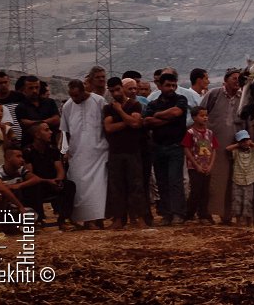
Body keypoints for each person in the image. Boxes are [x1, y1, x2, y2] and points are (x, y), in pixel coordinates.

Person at [61, 79, 109, 229]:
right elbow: (65, 131)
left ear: (83, 91)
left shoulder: (99, 101)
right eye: (72, 95)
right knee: (79, 187)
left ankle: (96, 220)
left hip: (99, 152)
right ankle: (85, 220)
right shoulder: (68, 106)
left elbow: (106, 124)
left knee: (98, 189)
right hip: (77, 153)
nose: (74, 99)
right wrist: (66, 150)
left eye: (77, 95)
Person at [144, 72, 189, 226]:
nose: (171, 88)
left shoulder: (181, 99)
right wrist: (168, 118)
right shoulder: (153, 103)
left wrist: (158, 116)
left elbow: (176, 112)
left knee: (175, 180)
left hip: (175, 146)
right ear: (160, 86)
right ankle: (167, 214)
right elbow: (148, 121)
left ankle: (178, 213)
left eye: (174, 85)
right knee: (162, 181)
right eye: (168, 85)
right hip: (158, 147)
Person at [201, 68, 244, 224]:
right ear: (225, 80)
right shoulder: (213, 94)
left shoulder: (243, 97)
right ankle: (212, 213)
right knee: (217, 180)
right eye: (234, 78)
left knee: (234, 180)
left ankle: (228, 215)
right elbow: (201, 114)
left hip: (238, 144)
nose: (237, 81)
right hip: (215, 144)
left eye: (239, 79)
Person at [103, 78, 146, 229]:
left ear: (122, 88)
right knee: (117, 186)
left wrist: (120, 111)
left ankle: (139, 217)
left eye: (117, 89)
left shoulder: (134, 104)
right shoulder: (108, 108)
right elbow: (108, 128)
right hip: (115, 151)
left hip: (132, 150)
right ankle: (119, 218)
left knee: (136, 185)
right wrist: (128, 122)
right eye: (112, 90)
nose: (115, 93)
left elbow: (136, 124)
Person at [23, 122, 76, 231]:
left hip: (53, 183)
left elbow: (60, 168)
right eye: (46, 130)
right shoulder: (28, 151)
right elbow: (29, 175)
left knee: (69, 185)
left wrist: (59, 180)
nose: (51, 132)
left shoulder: (52, 149)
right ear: (37, 135)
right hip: (38, 183)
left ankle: (64, 219)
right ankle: (37, 220)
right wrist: (47, 181)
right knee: (32, 187)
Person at [182, 106, 218, 224]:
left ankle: (203, 215)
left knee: (205, 191)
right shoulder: (190, 132)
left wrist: (211, 165)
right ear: (194, 117)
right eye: (201, 115)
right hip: (195, 167)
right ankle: (189, 215)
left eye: (206, 115)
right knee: (196, 191)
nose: (205, 118)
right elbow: (186, 149)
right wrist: (196, 165)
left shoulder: (210, 133)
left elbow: (213, 150)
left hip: (207, 167)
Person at [0, 147, 42, 218]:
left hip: (14, 203)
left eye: (22, 157)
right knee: (0, 196)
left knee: (34, 187)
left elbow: (36, 179)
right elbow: (2, 189)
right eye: (18, 156)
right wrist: (20, 206)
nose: (22, 160)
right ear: (8, 158)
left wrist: (19, 185)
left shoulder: (20, 170)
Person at [226, 129, 254, 226]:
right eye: (242, 140)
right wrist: (238, 144)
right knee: (237, 201)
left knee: (248, 202)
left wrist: (251, 143)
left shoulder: (253, 151)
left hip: (249, 180)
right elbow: (227, 149)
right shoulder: (236, 152)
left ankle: (249, 222)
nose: (245, 143)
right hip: (237, 180)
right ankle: (238, 221)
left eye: (246, 140)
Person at [15, 75, 60, 148]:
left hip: (51, 147)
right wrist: (46, 122)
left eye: (37, 87)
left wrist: (36, 123)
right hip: (30, 148)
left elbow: (56, 120)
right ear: (25, 89)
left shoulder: (50, 102)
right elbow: (24, 123)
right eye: (31, 88)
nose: (34, 91)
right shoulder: (21, 107)